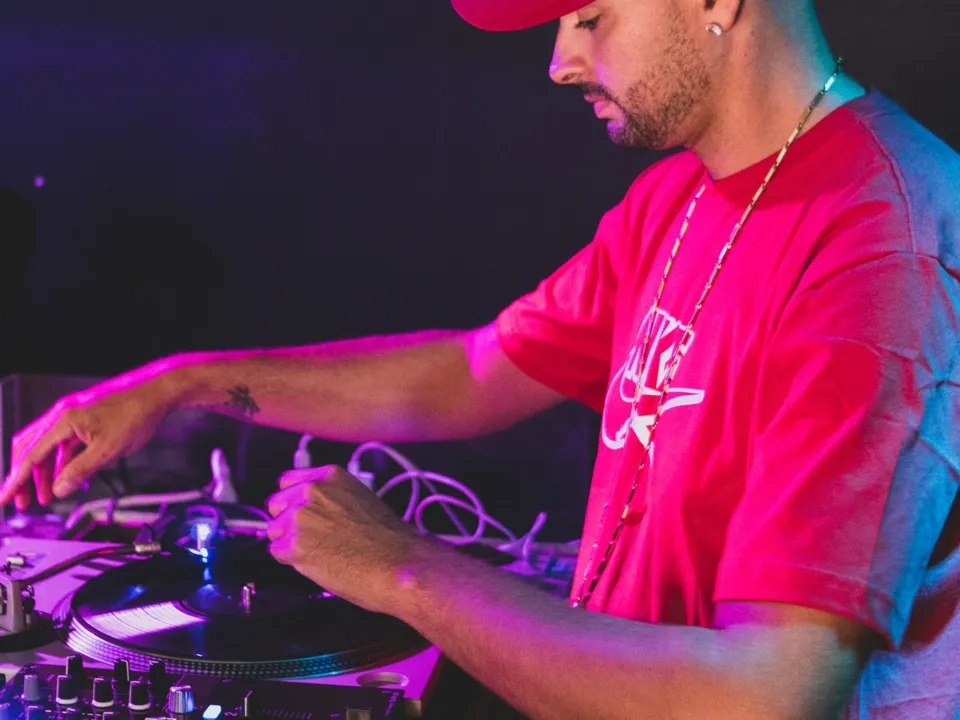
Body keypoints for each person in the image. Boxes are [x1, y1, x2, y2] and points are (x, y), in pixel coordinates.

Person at [3, 0, 959, 716]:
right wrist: (177, 386)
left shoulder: (884, 244)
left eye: (588, 17)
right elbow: (470, 374)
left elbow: (764, 698)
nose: (559, 62)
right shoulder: (677, 199)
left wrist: (400, 568)